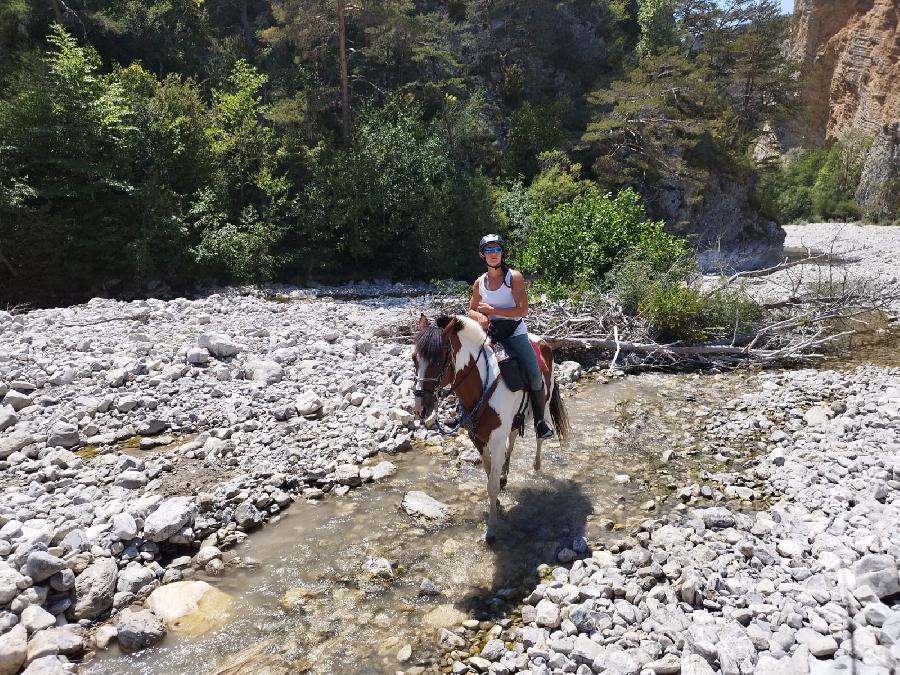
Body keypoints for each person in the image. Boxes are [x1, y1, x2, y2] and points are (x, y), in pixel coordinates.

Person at [467, 234, 555, 439]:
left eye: (496, 249)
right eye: (488, 250)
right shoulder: (479, 282)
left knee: (534, 372)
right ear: (482, 255)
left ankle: (540, 421)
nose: (493, 254)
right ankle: (464, 412)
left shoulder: (513, 277)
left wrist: (492, 308)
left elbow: (522, 311)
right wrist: (480, 316)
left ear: (502, 252)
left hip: (515, 332)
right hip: (491, 333)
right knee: (468, 365)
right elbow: (471, 309)